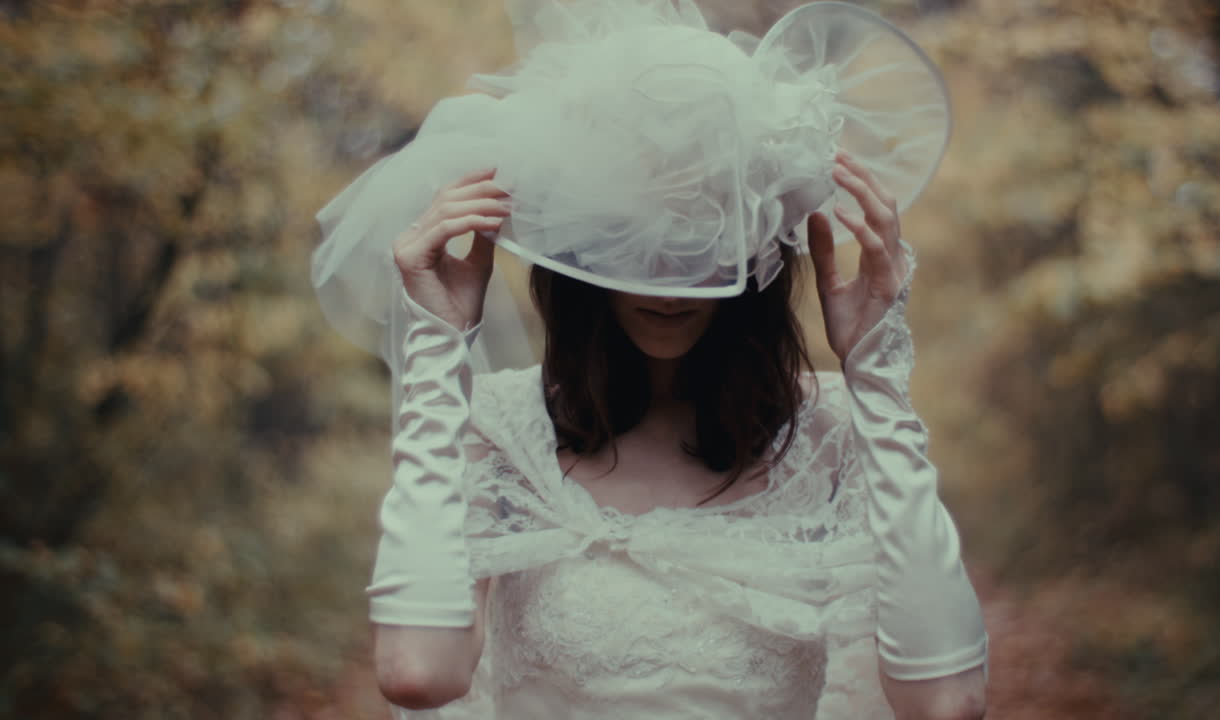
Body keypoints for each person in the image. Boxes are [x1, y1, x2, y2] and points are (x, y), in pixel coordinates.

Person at [314, 2, 988, 718]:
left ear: (759, 246)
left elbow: (947, 700)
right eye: (633, 233)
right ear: (580, 250)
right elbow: (418, 673)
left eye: (704, 235)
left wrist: (877, 377)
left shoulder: (829, 432)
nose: (671, 276)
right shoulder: (504, 434)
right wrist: (436, 351)